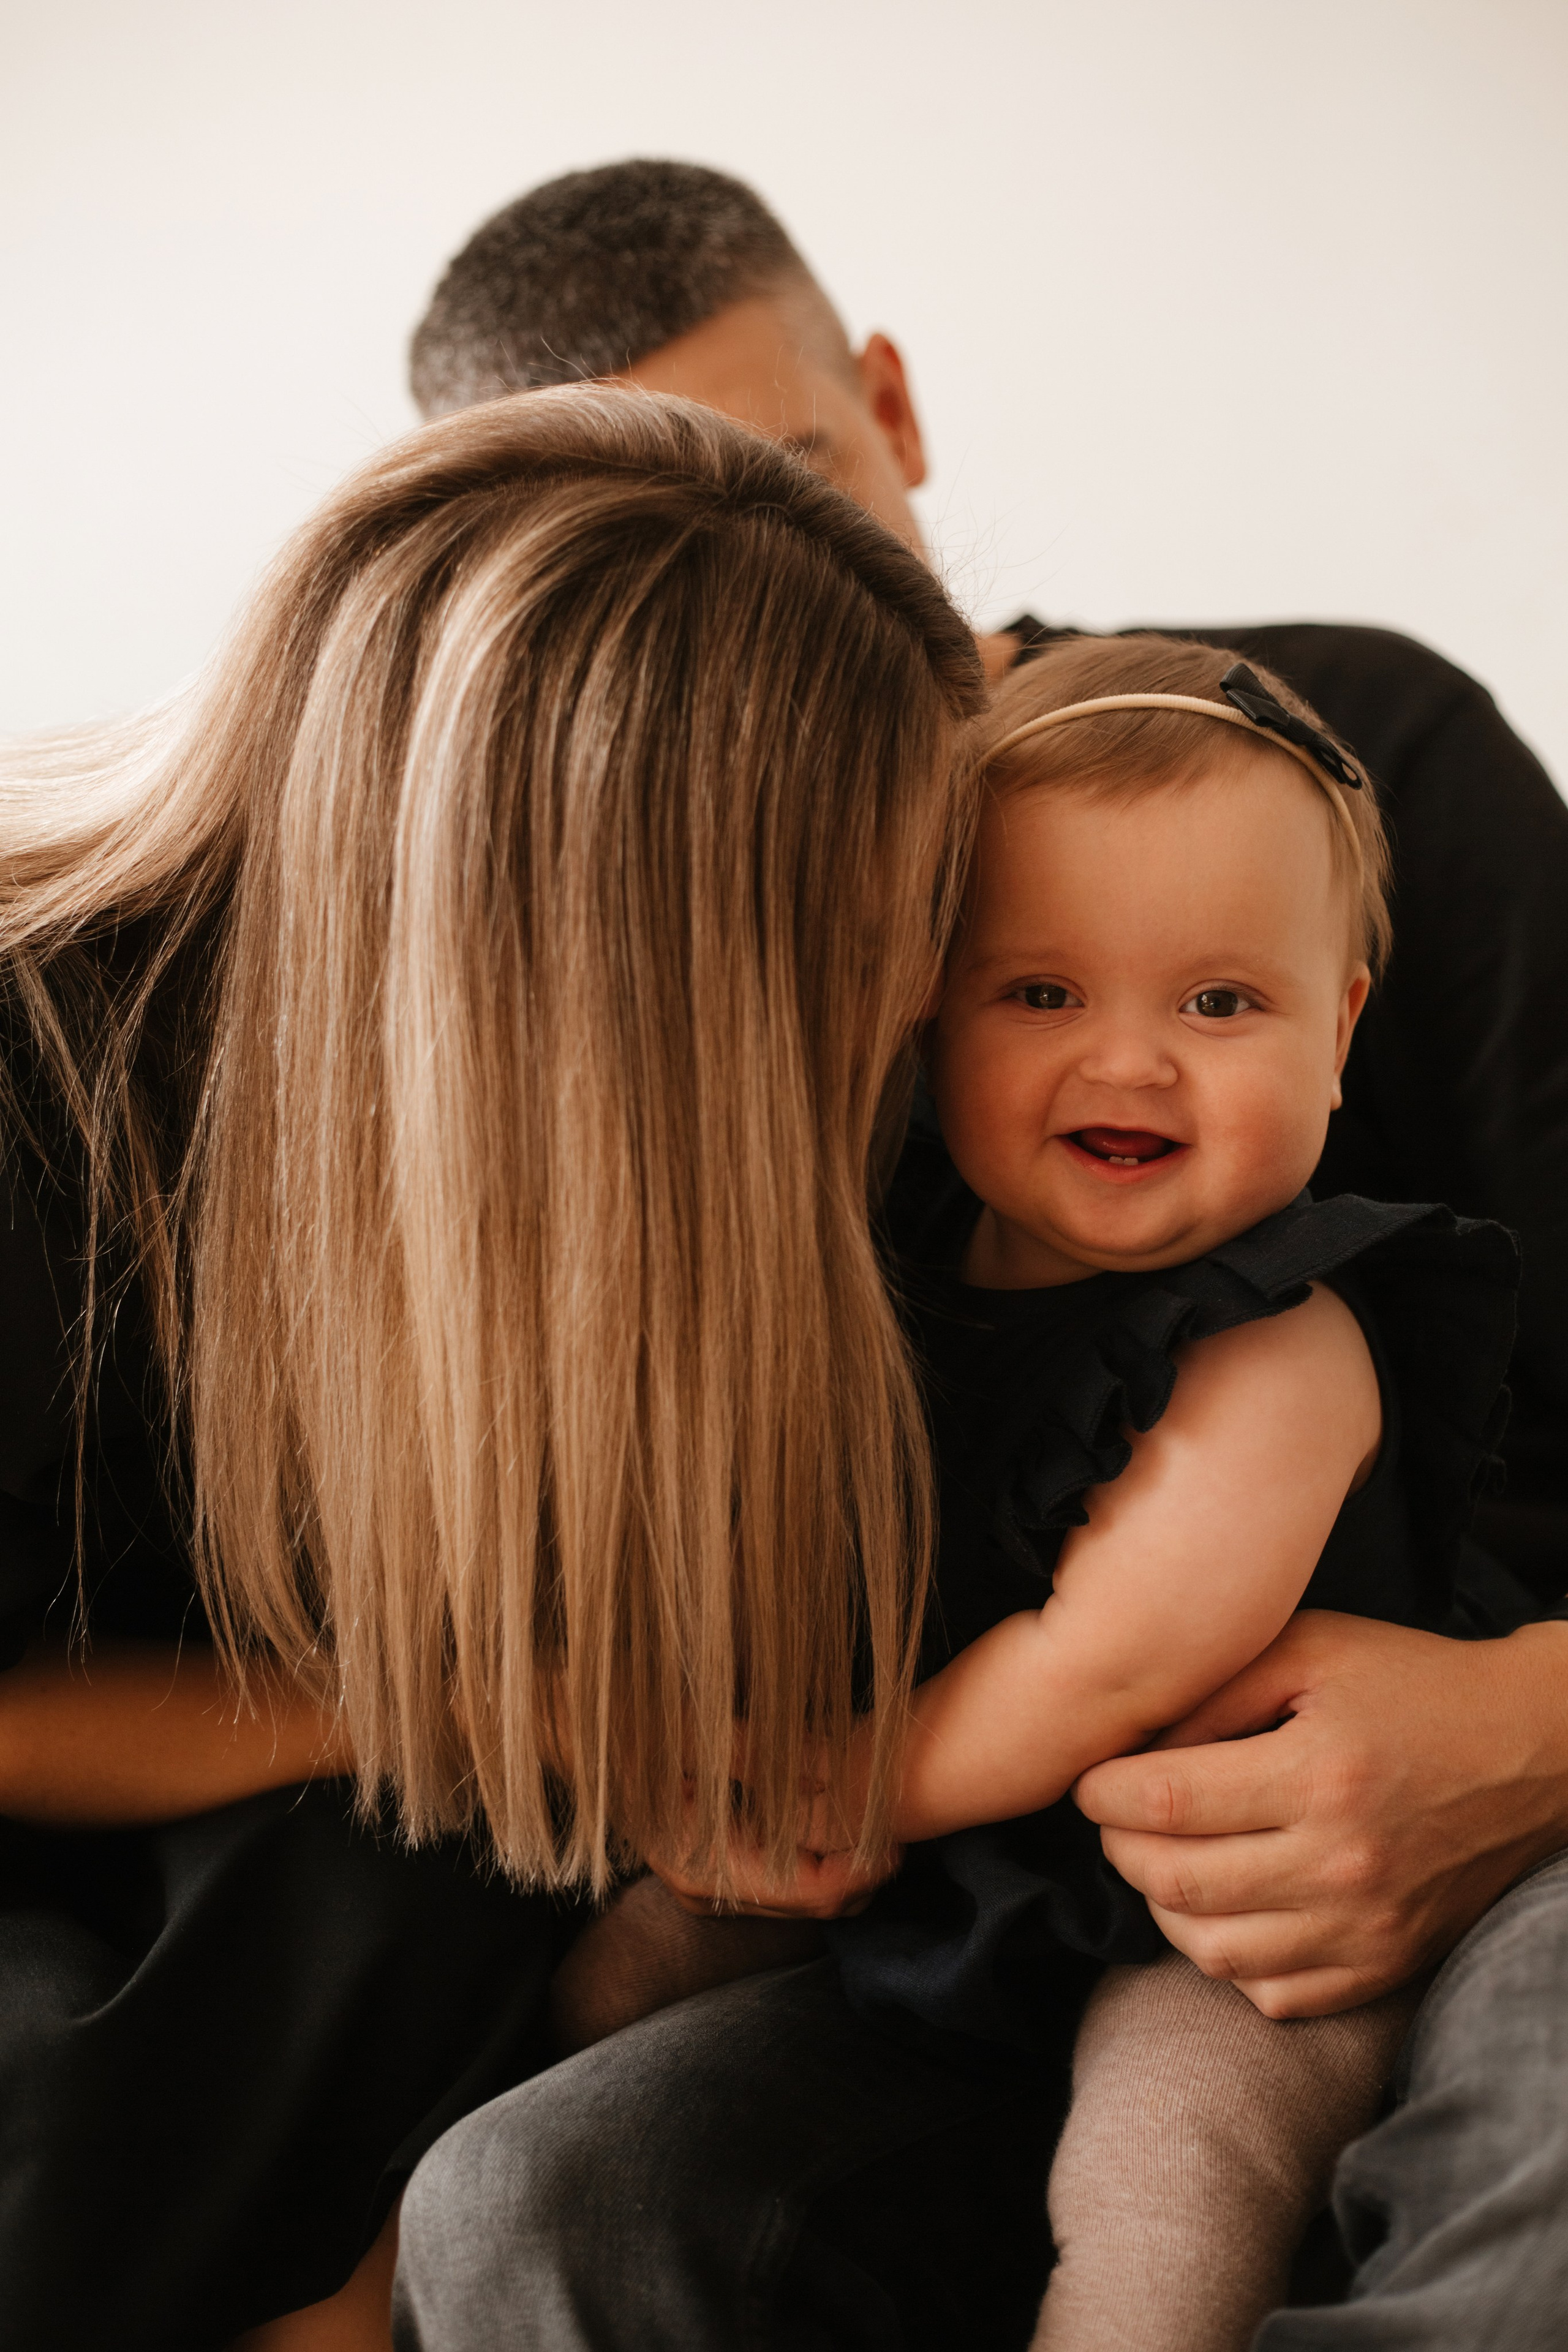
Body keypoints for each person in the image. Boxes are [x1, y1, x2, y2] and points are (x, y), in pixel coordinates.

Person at [393, 162, 1568, 2349]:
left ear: (897, 411)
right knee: (534, 2202)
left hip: (1486, 1775)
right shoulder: (643, 1046)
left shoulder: (1355, 759)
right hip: (985, 1899)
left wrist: (1528, 1725)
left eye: (798, 495)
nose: (769, 633)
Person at [0, 384, 986, 2351]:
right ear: (639, 949)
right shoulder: (42, 1085)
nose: (927, 984)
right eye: (897, 916)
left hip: (308, 1855)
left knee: (416, 1887)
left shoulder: (692, 1165)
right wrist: (439, 1710)